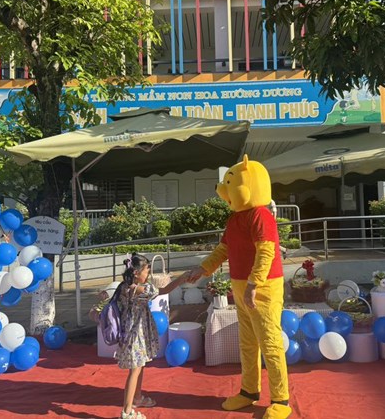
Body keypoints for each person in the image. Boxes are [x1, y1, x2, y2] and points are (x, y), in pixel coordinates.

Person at [187, 155, 291, 419]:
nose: (222, 190)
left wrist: (254, 284)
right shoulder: (235, 219)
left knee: (270, 343)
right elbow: (223, 249)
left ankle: (281, 399)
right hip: (241, 285)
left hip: (263, 288)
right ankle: (249, 391)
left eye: (229, 184)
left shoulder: (261, 215)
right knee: (247, 343)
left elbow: (266, 252)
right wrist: (203, 269)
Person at [116, 253, 187, 419]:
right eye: (147, 271)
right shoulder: (141, 290)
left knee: (139, 366)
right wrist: (181, 279)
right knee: (135, 370)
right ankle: (127, 411)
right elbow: (165, 290)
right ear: (136, 273)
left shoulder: (123, 287)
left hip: (131, 331)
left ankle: (137, 397)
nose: (148, 274)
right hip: (136, 334)